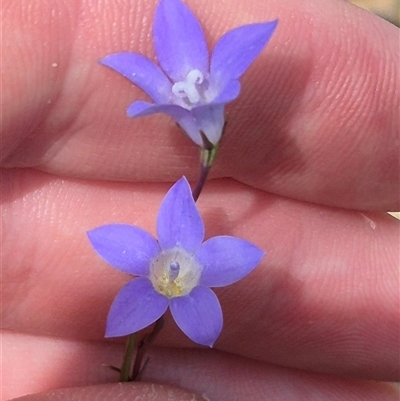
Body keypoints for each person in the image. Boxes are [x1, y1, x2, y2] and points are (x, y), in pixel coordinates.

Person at [2, 0, 399, 399]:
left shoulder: (213, 251)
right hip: (199, 163)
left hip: (205, 153)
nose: (189, 90)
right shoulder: (161, 233)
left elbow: (220, 288)